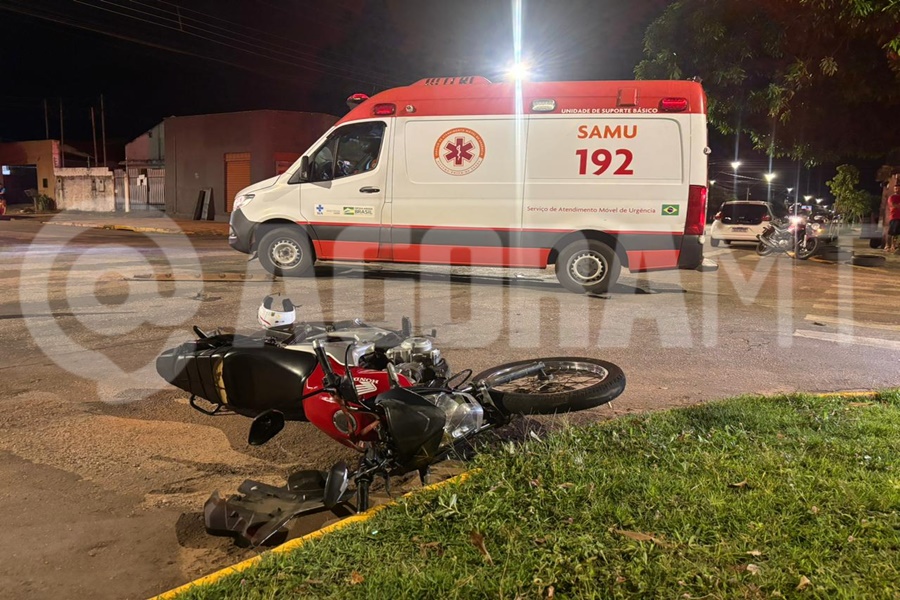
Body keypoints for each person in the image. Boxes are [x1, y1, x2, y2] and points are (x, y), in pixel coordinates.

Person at [887, 181, 900, 252]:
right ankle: (889, 246)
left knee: (898, 233)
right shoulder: (892, 197)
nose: (897, 190)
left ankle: (895, 246)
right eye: (896, 188)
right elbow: (894, 205)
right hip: (894, 217)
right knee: (892, 233)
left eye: (898, 188)